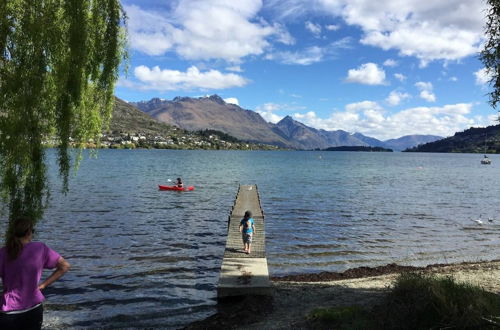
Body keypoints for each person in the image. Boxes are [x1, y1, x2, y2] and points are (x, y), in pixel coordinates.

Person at [0, 217, 70, 330]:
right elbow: (65, 266)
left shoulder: (3, 253)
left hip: (9, 311)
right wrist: (43, 285)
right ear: (28, 232)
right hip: (34, 309)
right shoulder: (40, 248)